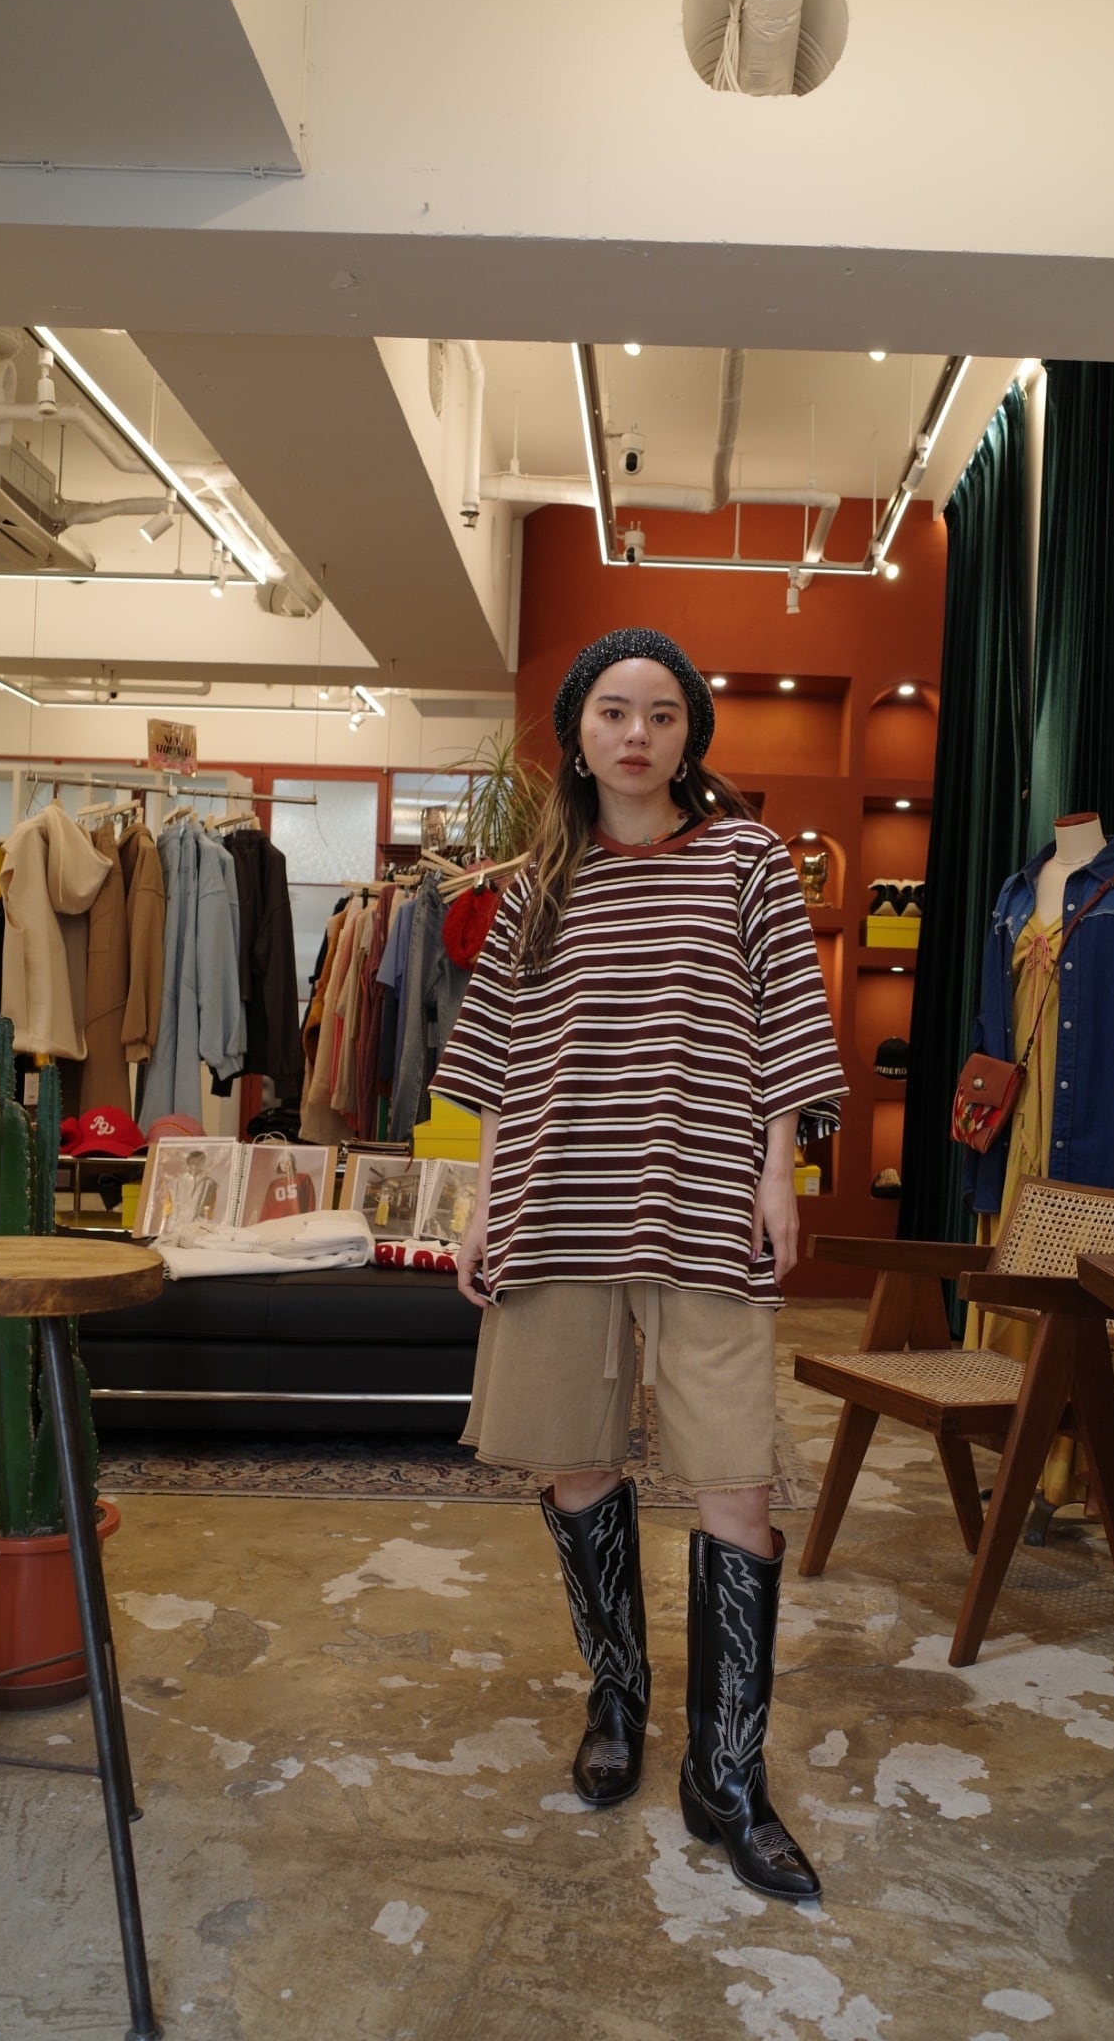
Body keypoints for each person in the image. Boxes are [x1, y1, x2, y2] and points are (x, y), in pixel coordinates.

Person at [432, 626, 847, 1903]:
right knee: (577, 1461)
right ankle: (618, 1697)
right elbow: (500, 1053)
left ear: (688, 737)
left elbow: (789, 1019)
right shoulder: (539, 880)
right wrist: (482, 1201)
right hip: (557, 1195)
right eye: (614, 710)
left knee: (738, 1483)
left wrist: (778, 1171)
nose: (637, 734)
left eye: (663, 714)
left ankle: (729, 1774)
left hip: (705, 1198)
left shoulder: (747, 859)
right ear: (579, 730)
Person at [257, 1148, 317, 1222]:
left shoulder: (303, 1178)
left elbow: (311, 1202)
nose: (285, 1165)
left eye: (288, 1162)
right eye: (282, 1162)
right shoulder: (274, 1184)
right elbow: (267, 1207)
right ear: (279, 1165)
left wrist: (309, 1219)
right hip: (277, 1222)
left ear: (293, 1163)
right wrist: (261, 1224)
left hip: (296, 1220)